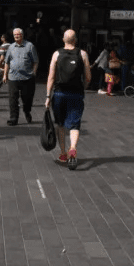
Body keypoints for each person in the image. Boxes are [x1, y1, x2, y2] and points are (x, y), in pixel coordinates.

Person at [45, 29, 91, 169]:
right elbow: (88, 77)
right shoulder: (82, 54)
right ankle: (73, 148)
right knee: (74, 124)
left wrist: (48, 96)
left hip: (59, 94)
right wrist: (83, 87)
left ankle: (63, 153)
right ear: (75, 40)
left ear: (63, 40)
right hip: (76, 94)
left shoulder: (56, 54)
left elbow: (51, 77)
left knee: (60, 124)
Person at [2, 28, 38, 125]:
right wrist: (5, 75)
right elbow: (7, 62)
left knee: (27, 98)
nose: (16, 36)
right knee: (13, 98)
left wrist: (33, 72)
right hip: (13, 77)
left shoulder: (30, 46)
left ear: (22, 35)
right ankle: (13, 118)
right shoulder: (11, 47)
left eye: (18, 34)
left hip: (27, 78)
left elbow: (35, 61)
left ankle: (27, 111)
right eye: (14, 35)